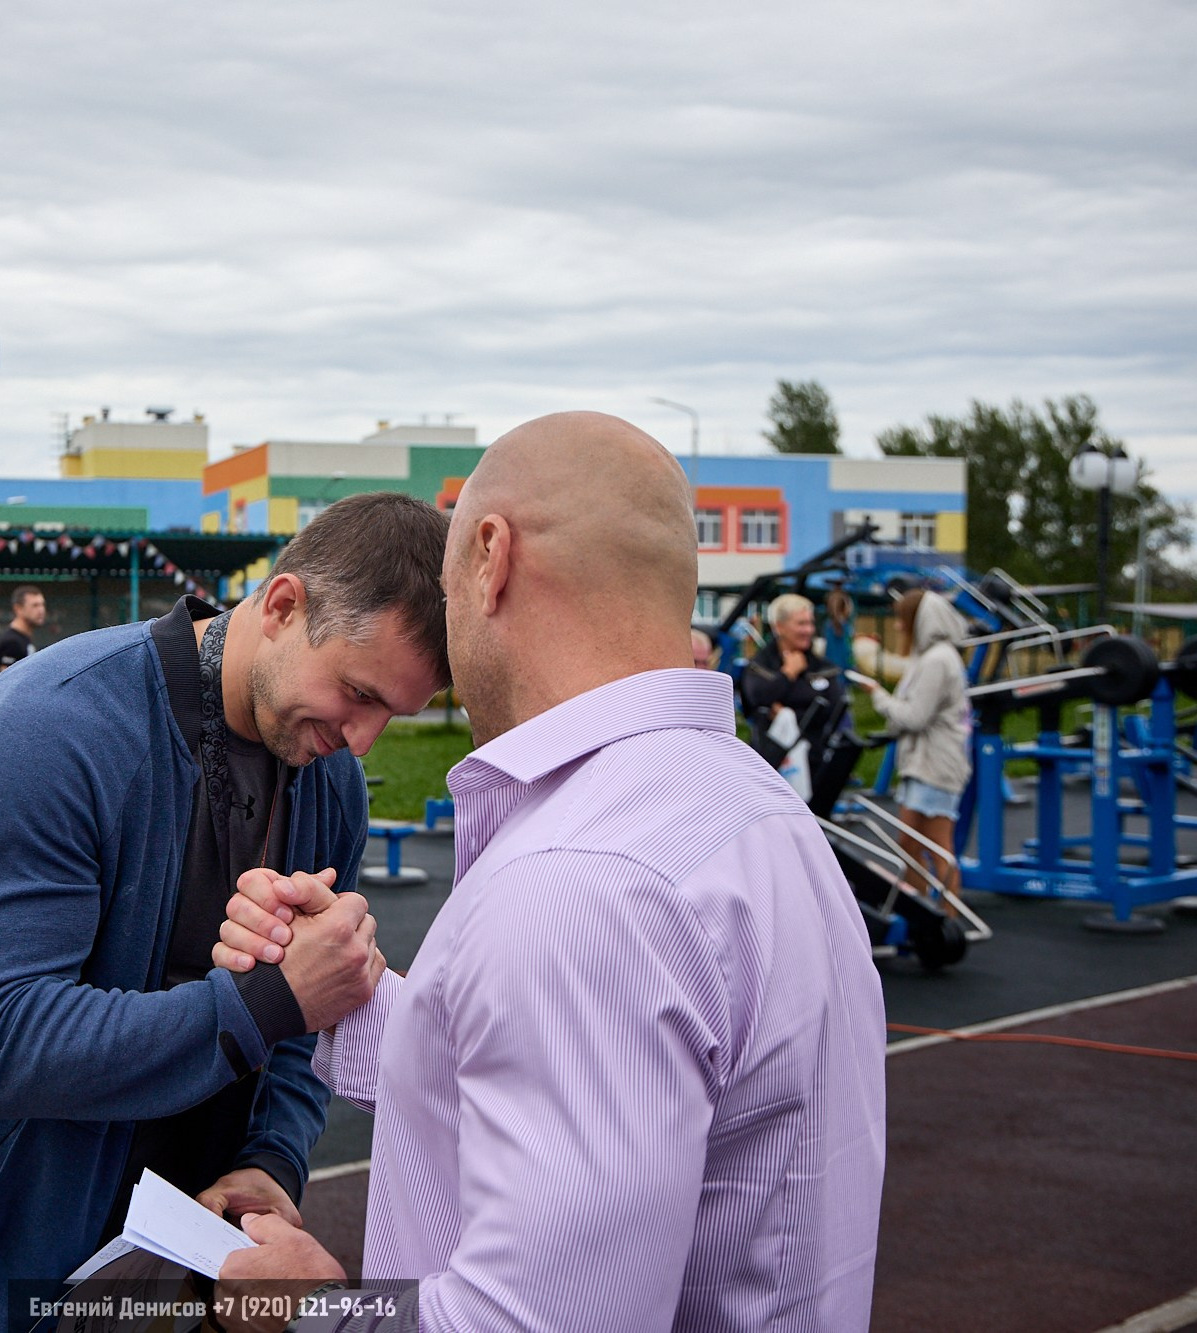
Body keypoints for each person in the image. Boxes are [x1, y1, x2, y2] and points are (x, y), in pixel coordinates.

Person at [213, 412, 888, 1329]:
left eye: (445, 587)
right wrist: (350, 989)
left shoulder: (578, 880)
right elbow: (555, 1073)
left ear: (491, 557)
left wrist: (309, 1309)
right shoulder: (753, 808)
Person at [0, 492, 450, 1333]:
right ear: (282, 605)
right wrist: (264, 1003)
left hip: (164, 1275)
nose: (364, 738)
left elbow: (304, 1024)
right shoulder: (53, 727)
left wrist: (270, 1160)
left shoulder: (328, 779)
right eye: (357, 691)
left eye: (392, 714)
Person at [852, 587, 972, 903]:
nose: (897, 626)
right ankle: (923, 911)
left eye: (902, 619)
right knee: (909, 844)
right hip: (925, 763)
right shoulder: (934, 657)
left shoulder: (936, 660)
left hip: (934, 764)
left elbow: (915, 717)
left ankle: (947, 916)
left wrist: (878, 695)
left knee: (937, 846)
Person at [741, 590, 847, 763]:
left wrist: (786, 714)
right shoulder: (760, 665)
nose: (809, 630)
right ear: (779, 627)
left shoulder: (823, 667)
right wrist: (788, 674)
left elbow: (834, 708)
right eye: (801, 624)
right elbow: (757, 700)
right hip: (770, 760)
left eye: (811, 623)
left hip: (816, 758)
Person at [0, 583, 46, 674]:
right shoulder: (11, 642)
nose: (41, 610)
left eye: (42, 605)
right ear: (18, 609)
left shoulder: (24, 638)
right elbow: (8, 678)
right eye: (35, 605)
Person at [822, 586, 856, 671]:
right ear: (846, 608)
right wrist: (853, 666)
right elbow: (848, 652)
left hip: (829, 669)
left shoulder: (828, 625)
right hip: (843, 671)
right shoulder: (846, 627)